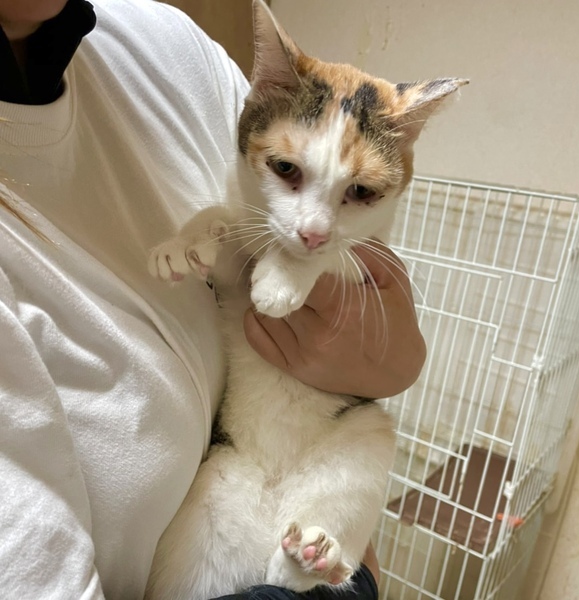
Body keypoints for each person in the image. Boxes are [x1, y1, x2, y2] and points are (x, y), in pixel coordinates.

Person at [0, 0, 426, 598]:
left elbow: (381, 344)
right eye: (287, 169)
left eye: (357, 192)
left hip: (328, 444)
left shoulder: (169, 46)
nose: (313, 229)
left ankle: (311, 562)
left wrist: (398, 360)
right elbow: (236, 249)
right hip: (233, 466)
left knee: (373, 437)